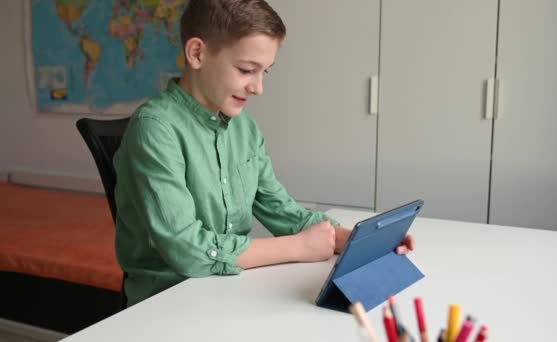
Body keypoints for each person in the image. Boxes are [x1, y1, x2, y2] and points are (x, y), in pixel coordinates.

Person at [113, 0, 414, 306]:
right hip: (165, 304)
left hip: (228, 290)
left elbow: (282, 211)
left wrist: (356, 242)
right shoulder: (154, 128)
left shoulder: (245, 129)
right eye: (246, 70)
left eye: (265, 72)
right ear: (197, 53)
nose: (258, 88)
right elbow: (187, 250)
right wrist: (297, 248)